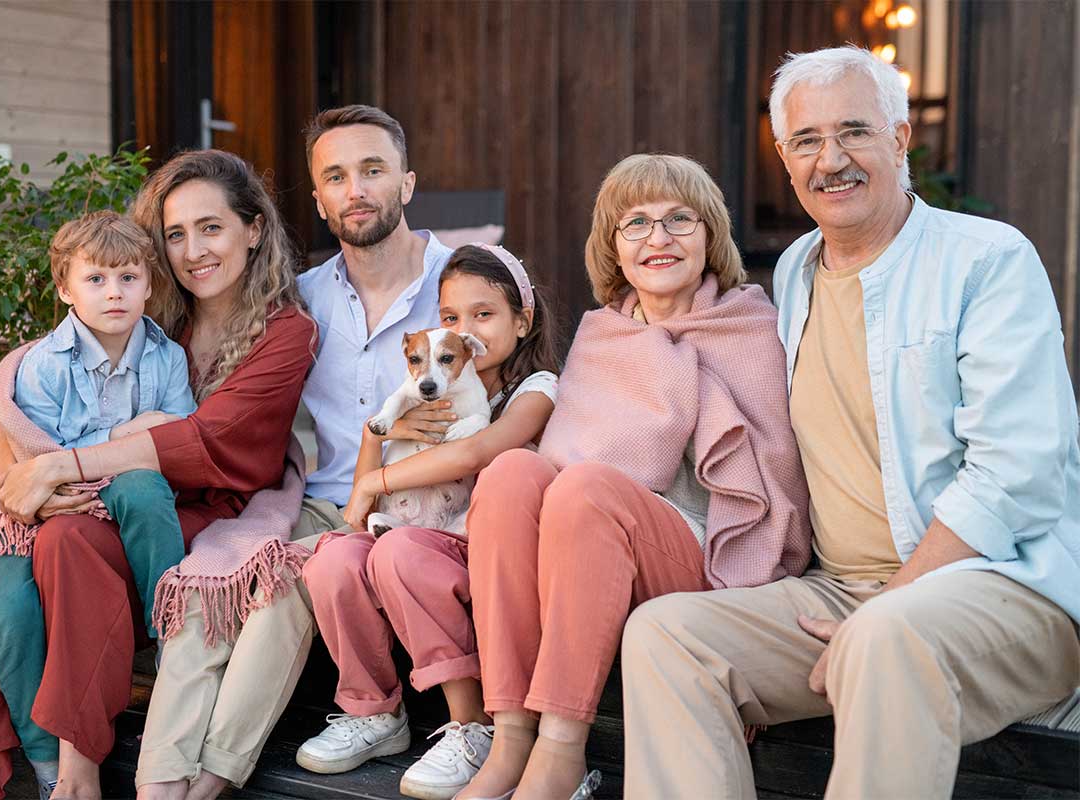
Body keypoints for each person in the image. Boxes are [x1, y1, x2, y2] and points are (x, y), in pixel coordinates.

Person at [621, 45, 1080, 800]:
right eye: (807, 141)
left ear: (900, 139)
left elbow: (1016, 474)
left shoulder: (986, 260)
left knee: (885, 637)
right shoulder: (798, 269)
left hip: (1004, 586)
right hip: (842, 593)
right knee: (669, 637)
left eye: (855, 132)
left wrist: (896, 597)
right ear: (784, 159)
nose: (831, 159)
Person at [0, 149, 315, 800]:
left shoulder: (285, 331)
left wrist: (61, 466)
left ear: (253, 230)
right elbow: (6, 387)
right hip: (108, 505)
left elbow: (204, 439)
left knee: (64, 551)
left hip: (203, 508)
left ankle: (71, 758)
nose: (193, 250)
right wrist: (19, 481)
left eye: (211, 227)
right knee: (32, 578)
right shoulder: (155, 312)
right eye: (175, 234)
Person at [458, 153, 812, 800]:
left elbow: (773, 482)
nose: (659, 237)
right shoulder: (603, 335)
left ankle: (562, 751)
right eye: (637, 224)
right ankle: (511, 733)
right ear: (613, 249)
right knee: (512, 472)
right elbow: (559, 464)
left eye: (680, 220)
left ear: (710, 237)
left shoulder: (749, 326)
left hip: (706, 559)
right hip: (584, 546)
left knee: (586, 487)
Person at [134, 105, 456, 800]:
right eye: (336, 176)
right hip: (327, 503)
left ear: (406, 181)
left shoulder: (462, 283)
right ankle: (160, 787)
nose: (356, 189)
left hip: (430, 506)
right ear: (317, 199)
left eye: (373, 170)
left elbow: (523, 394)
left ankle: (212, 780)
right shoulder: (304, 302)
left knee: (287, 591)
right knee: (208, 593)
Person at [298, 244, 561, 800]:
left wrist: (373, 485)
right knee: (334, 561)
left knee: (399, 553)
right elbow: (372, 457)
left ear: (523, 319)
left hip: (475, 546)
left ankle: (473, 724)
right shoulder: (423, 389)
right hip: (409, 527)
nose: (466, 330)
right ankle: (373, 711)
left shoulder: (535, 390)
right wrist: (385, 440)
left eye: (484, 314)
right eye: (450, 317)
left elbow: (475, 452)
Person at [0, 210, 197, 797]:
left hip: (119, 494)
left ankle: (171, 629)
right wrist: (129, 436)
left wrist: (132, 444)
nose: (114, 293)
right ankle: (49, 768)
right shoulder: (43, 365)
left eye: (128, 278)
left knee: (144, 487)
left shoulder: (166, 357)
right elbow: (34, 460)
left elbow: (175, 438)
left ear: (150, 282)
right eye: (95, 279)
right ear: (66, 288)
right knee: (12, 612)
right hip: (44, 510)